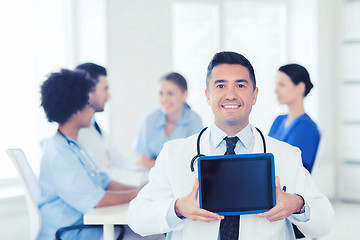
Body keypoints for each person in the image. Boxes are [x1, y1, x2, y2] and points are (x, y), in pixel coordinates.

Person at [127, 51, 333, 240]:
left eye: (241, 85)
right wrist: (178, 208)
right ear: (208, 96)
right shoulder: (174, 154)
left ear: (254, 95)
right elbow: (137, 218)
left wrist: (297, 204)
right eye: (221, 85)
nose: (231, 94)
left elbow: (324, 223)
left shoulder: (286, 155)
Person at [38, 69, 144, 240]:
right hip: (71, 233)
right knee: (153, 233)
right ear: (74, 111)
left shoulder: (72, 145)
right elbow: (97, 200)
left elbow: (104, 181)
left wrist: (141, 189)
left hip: (87, 227)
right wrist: (137, 194)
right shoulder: (60, 155)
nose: (92, 109)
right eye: (88, 104)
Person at [133, 72, 203, 170]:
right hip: (150, 178)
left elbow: (192, 161)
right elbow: (143, 160)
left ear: (184, 94)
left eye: (170, 93)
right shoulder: (149, 120)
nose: (164, 99)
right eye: (161, 93)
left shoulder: (194, 121)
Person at [76, 63, 137, 173]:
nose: (108, 96)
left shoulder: (96, 128)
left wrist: (143, 173)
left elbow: (117, 159)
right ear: (89, 90)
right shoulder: (78, 133)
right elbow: (103, 174)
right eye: (105, 89)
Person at [268, 64, 320, 173]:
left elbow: (297, 168)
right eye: (276, 85)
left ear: (300, 87)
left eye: (282, 85)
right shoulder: (279, 120)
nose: (276, 91)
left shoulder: (306, 127)